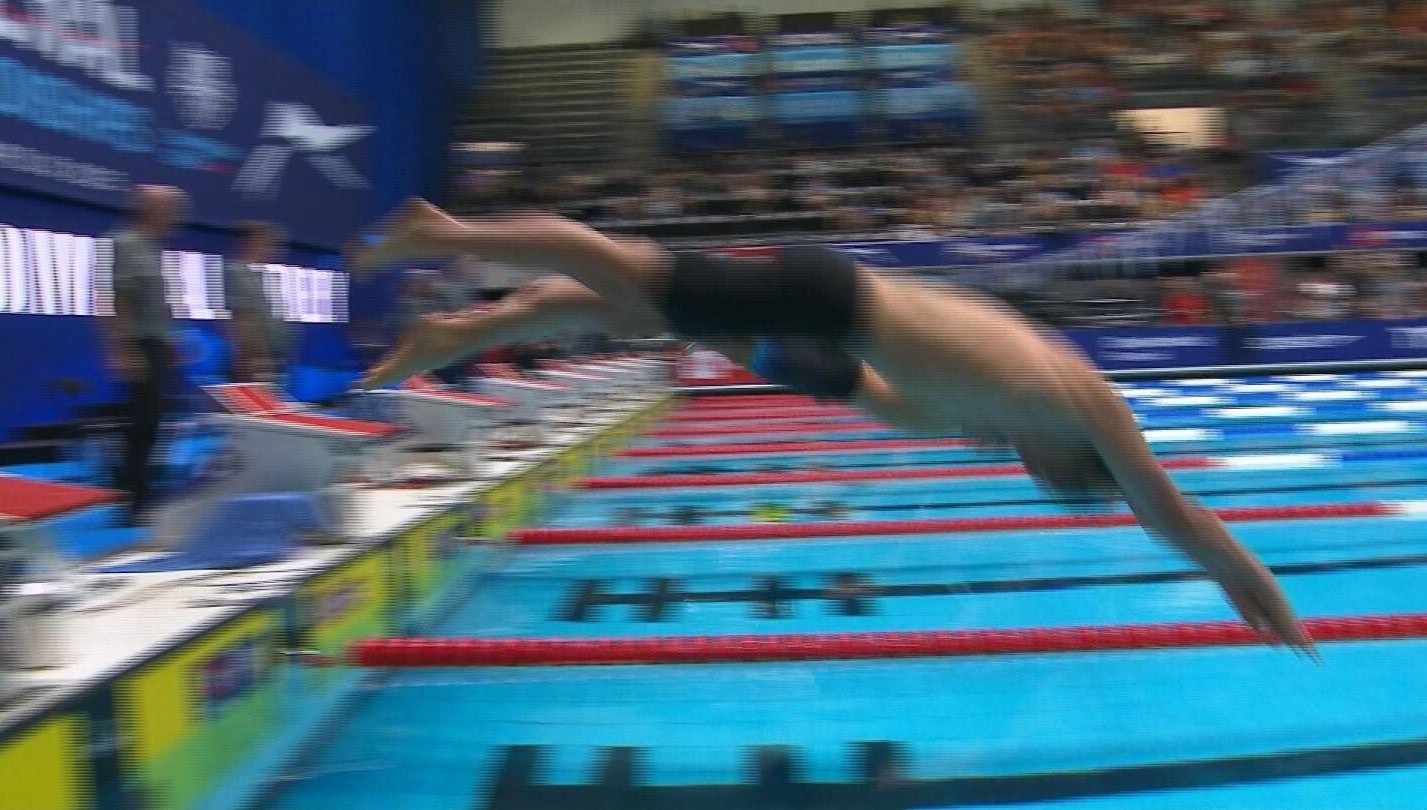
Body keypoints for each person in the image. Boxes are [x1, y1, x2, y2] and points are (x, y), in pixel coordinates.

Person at [351, 197, 1314, 655]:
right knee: (630, 271)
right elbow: (1174, 516)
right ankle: (450, 234)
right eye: (1042, 472)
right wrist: (1257, 587)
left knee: (641, 307)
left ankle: (457, 330)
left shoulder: (971, 413)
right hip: (830, 296)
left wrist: (758, 359)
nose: (1025, 465)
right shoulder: (1080, 400)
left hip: (828, 329)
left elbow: (857, 394)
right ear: (1070, 462)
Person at [101, 184, 187, 525]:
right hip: (137, 345)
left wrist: (169, 339)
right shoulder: (123, 244)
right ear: (150, 210)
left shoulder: (153, 248)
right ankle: (133, 501)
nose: (175, 217)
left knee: (153, 422)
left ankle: (139, 490)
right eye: (170, 210)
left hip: (154, 344)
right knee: (143, 424)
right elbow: (116, 300)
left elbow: (154, 304)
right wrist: (122, 349)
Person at [225, 220, 288, 382]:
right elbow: (242, 319)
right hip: (254, 360)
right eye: (268, 243)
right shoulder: (237, 273)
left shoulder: (262, 276)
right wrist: (256, 357)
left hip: (271, 358)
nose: (273, 249)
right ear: (253, 242)